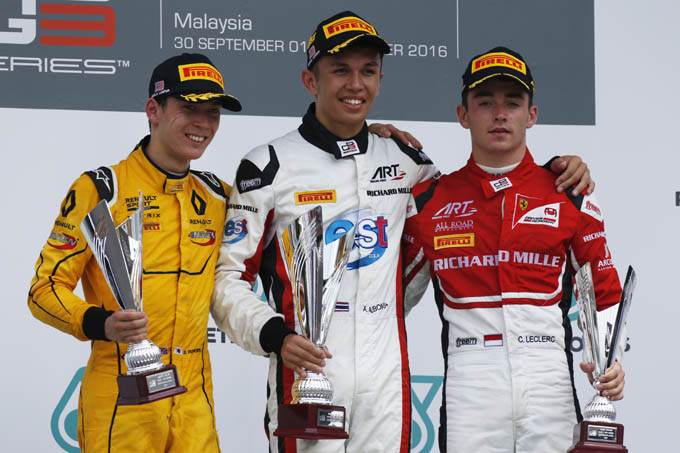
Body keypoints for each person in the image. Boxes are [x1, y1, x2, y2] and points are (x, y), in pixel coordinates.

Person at [211, 11, 594, 452]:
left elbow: (477, 196)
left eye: (368, 71)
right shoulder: (268, 165)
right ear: (310, 80)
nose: (356, 84)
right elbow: (227, 278)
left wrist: (557, 170)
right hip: (307, 367)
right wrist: (275, 335)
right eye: (340, 70)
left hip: (386, 377)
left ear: (380, 79)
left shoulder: (407, 162)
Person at [402, 46, 626, 453]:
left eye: (513, 102)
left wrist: (610, 361)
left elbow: (604, 291)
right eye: (485, 102)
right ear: (463, 115)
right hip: (470, 381)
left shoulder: (569, 193)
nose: (500, 114)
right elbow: (388, 301)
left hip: (548, 379)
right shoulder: (429, 201)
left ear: (531, 115)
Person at [27, 53, 241, 452]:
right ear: (153, 110)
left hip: (194, 397)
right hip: (121, 394)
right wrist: (102, 324)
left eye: (213, 112)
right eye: (189, 108)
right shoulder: (101, 190)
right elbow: (43, 291)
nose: (203, 123)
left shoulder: (219, 197)